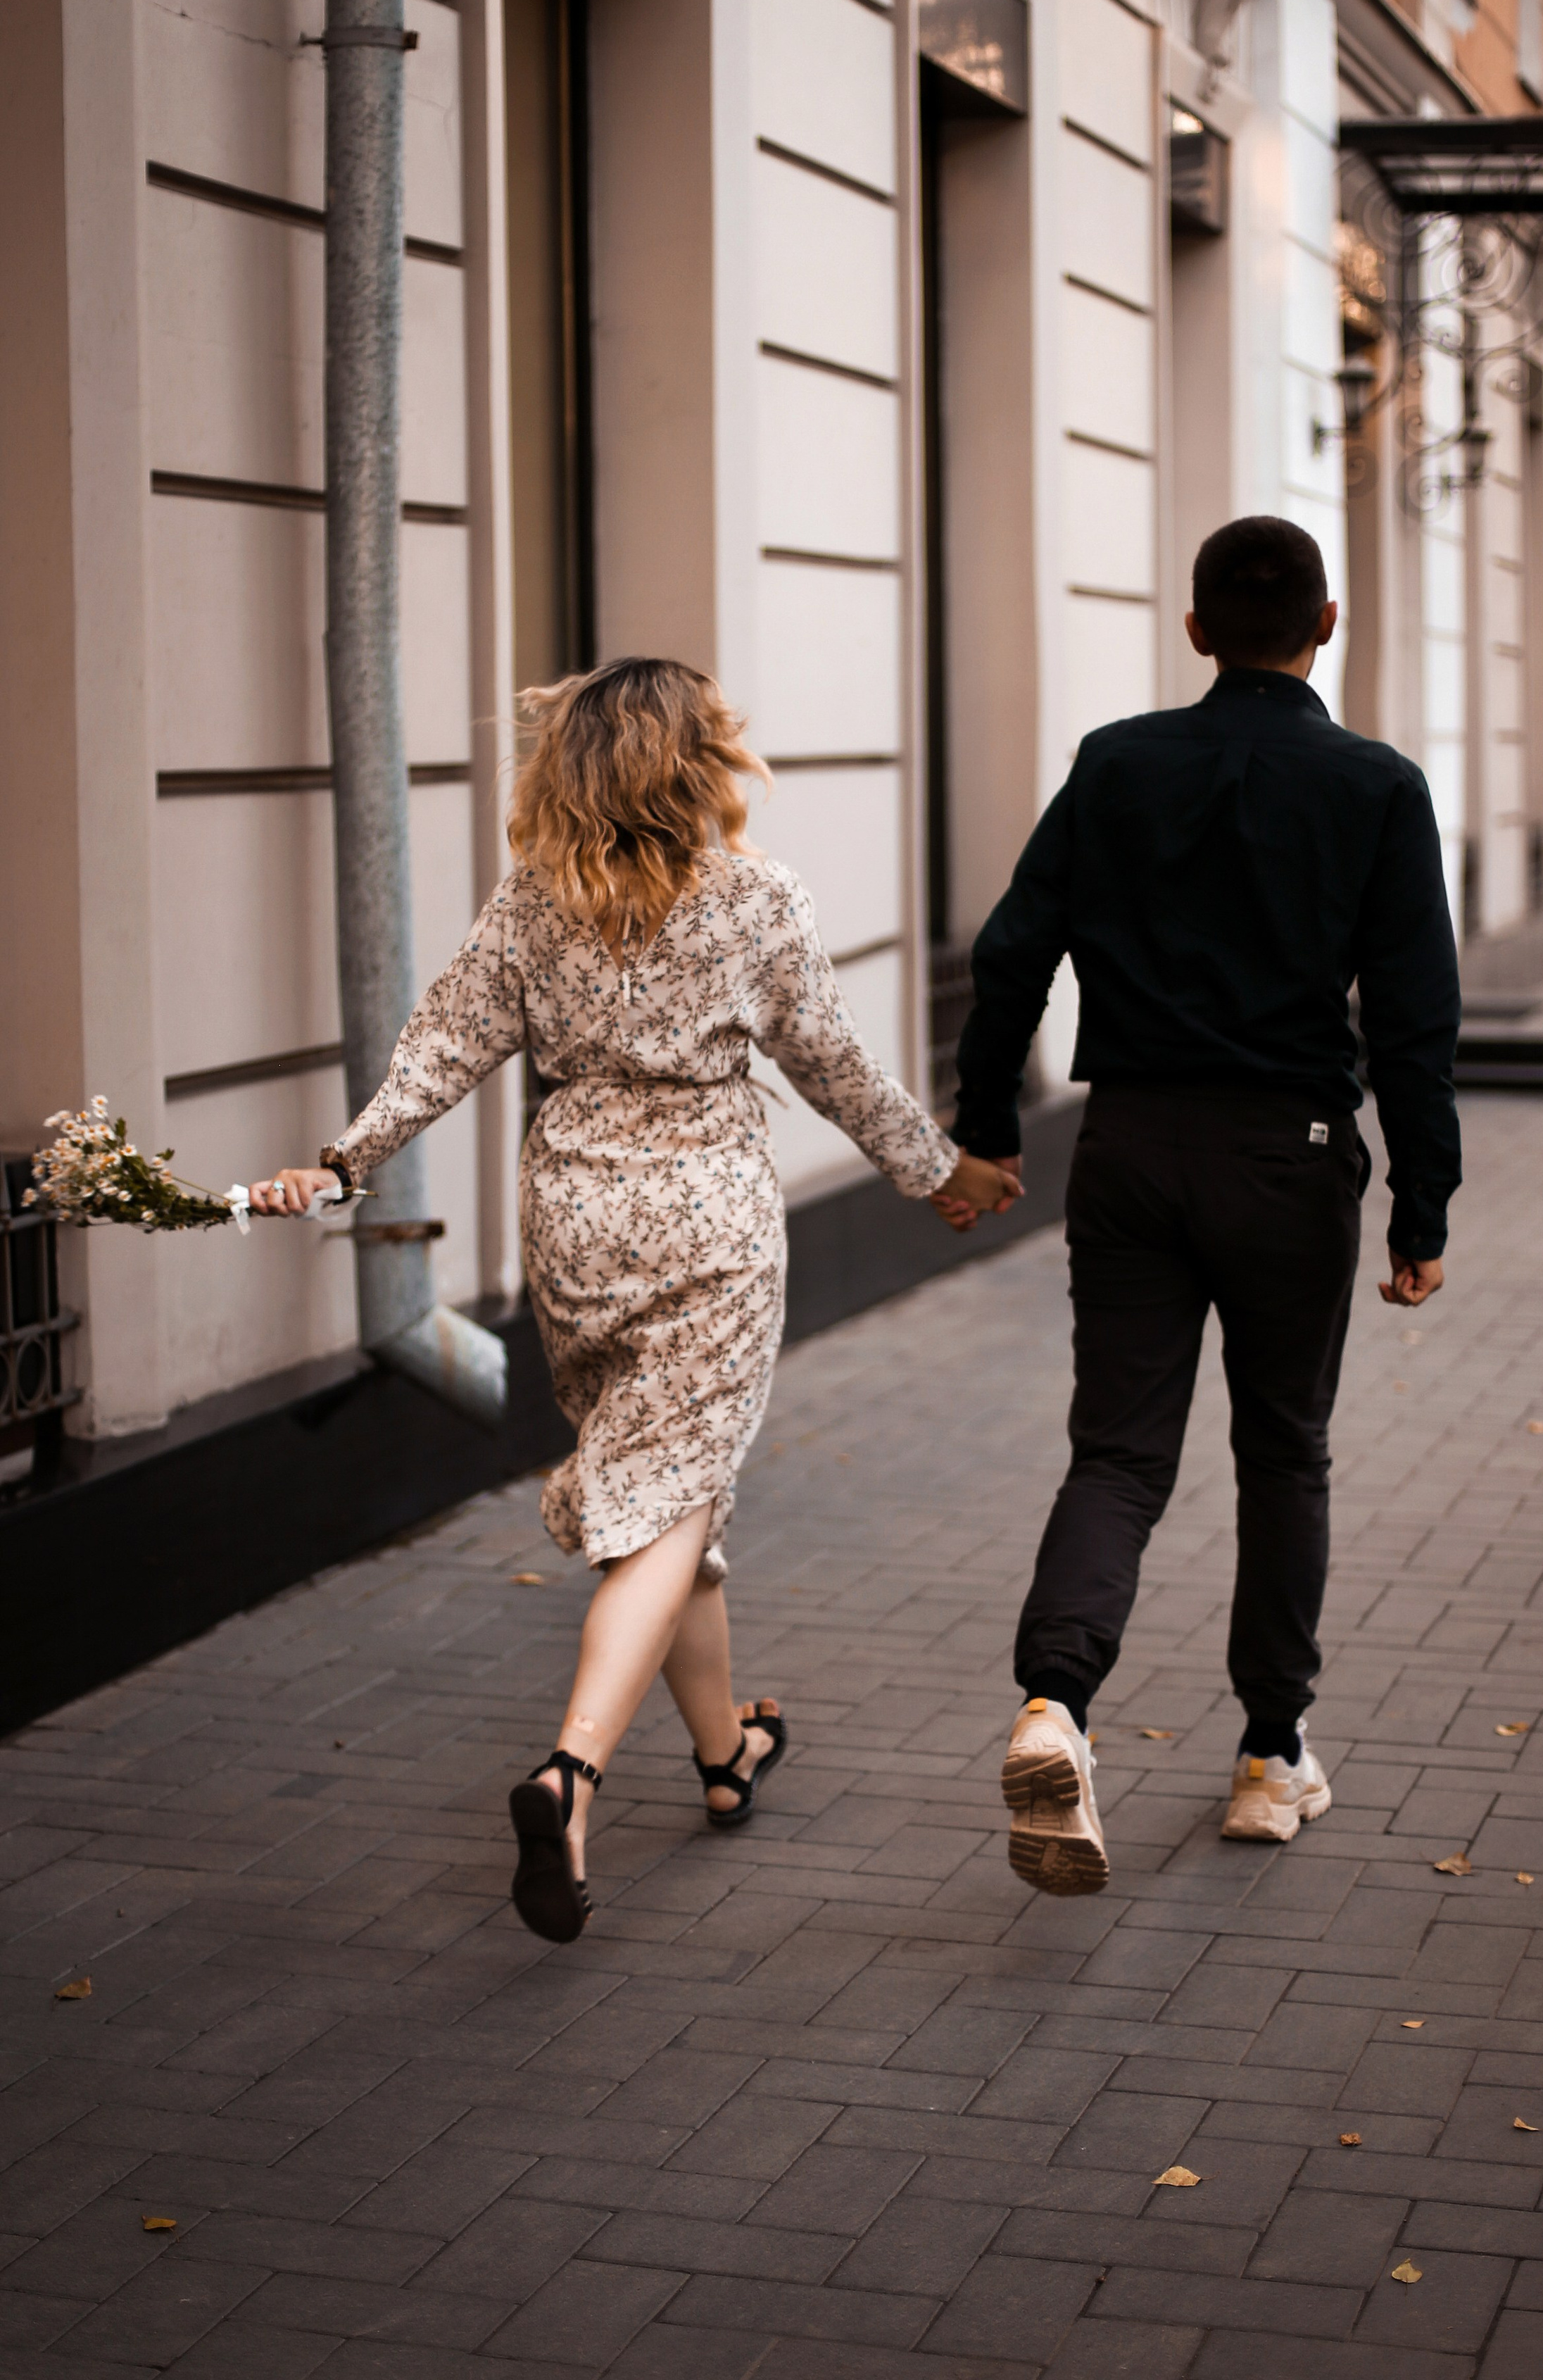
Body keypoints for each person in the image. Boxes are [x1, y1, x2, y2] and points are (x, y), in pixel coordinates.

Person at [252, 659, 1020, 1942]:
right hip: (709, 1218)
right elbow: (832, 1060)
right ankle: (575, 1773)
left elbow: (439, 1042)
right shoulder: (758, 895)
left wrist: (343, 1159)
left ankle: (727, 1753)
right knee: (669, 1495)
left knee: (661, 1490)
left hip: (577, 1218)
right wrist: (939, 1170)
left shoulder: (533, 902)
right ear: (698, 761)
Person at [946, 516, 1461, 1893]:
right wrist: (1423, 1208)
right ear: (1327, 622)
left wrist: (984, 1128)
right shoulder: (1374, 787)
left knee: (1116, 1454)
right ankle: (1267, 1755)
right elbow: (1414, 1019)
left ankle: (1054, 1702)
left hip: (1125, 1150)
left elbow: (1009, 954)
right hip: (1288, 1159)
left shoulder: (1115, 765)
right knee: (1280, 1457)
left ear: (1191, 631)